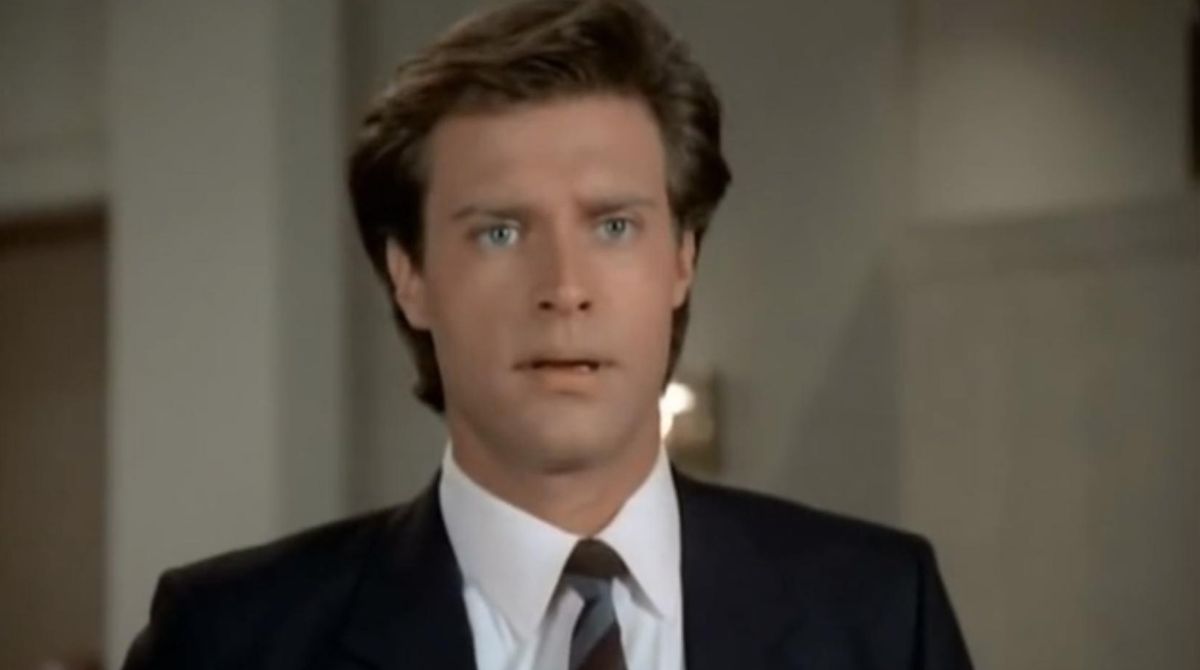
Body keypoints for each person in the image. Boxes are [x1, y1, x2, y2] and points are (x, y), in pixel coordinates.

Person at [121, 0, 973, 668]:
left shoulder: (876, 612)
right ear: (410, 276)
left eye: (613, 227)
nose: (564, 288)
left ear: (682, 258)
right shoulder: (230, 640)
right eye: (499, 232)